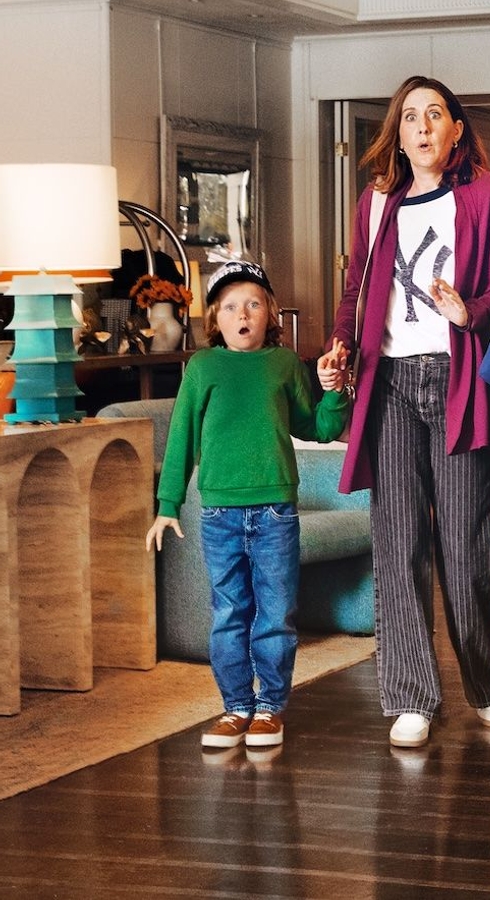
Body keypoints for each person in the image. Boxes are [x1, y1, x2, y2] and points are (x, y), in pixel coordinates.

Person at [317, 76, 490, 749]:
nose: (424, 127)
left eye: (436, 115)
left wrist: (474, 311)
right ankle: (410, 696)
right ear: (397, 134)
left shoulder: (488, 196)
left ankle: (484, 681)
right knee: (399, 541)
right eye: (411, 117)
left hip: (462, 378)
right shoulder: (375, 203)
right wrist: (339, 351)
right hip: (390, 384)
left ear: (457, 129)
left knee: (464, 550)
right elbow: (356, 290)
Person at [146, 260, 349, 753]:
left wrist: (334, 391)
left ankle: (269, 710)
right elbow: (181, 437)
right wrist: (167, 503)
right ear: (215, 318)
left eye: (254, 304)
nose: (244, 313)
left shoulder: (283, 364)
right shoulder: (203, 367)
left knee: (275, 614)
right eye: (232, 306)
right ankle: (235, 706)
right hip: (217, 514)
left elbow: (316, 427)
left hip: (276, 511)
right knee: (229, 612)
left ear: (270, 313)